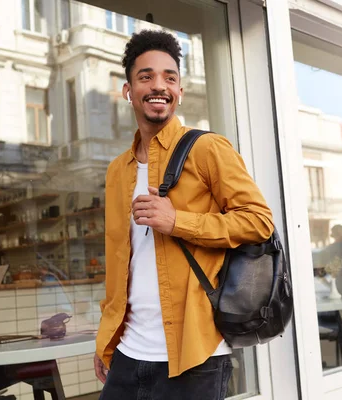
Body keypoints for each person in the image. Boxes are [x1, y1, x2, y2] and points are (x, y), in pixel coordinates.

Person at [94, 30, 274, 400]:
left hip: (195, 356)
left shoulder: (208, 148)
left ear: (180, 91)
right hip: (127, 354)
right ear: (128, 90)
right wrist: (105, 336)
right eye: (145, 76)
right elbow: (118, 262)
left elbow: (259, 221)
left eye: (169, 77)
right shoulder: (117, 171)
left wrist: (178, 221)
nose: (158, 85)